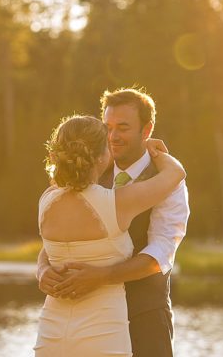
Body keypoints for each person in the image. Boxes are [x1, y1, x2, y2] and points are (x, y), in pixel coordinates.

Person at [37, 88, 190, 357]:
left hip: (144, 315)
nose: (112, 136)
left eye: (123, 128)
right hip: (84, 316)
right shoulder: (88, 169)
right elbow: (59, 237)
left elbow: (160, 254)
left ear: (147, 129)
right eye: (107, 127)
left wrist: (103, 277)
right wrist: (42, 269)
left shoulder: (167, 183)